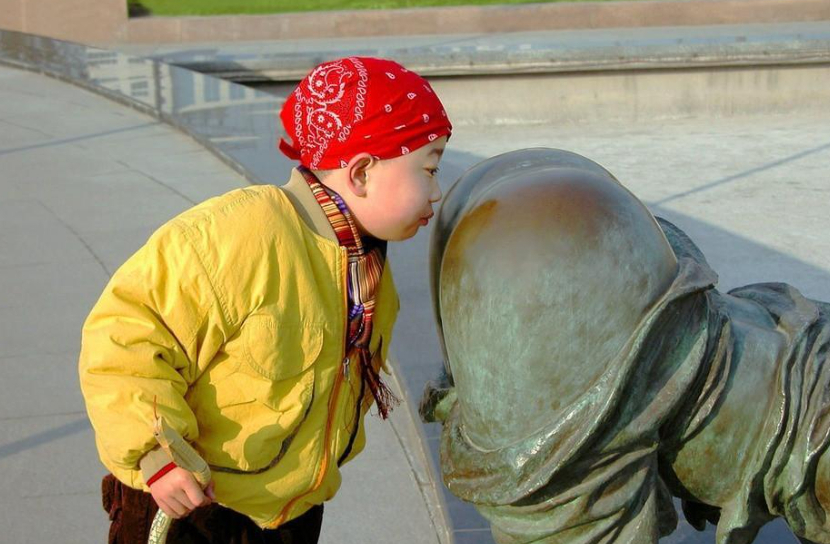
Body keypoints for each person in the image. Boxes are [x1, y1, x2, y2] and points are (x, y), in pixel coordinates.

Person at [79, 56, 452, 544]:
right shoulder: (242, 234)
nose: (437, 192)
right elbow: (125, 335)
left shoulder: (361, 266)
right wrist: (157, 454)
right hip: (189, 506)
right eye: (429, 168)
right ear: (361, 172)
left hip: (287, 511)